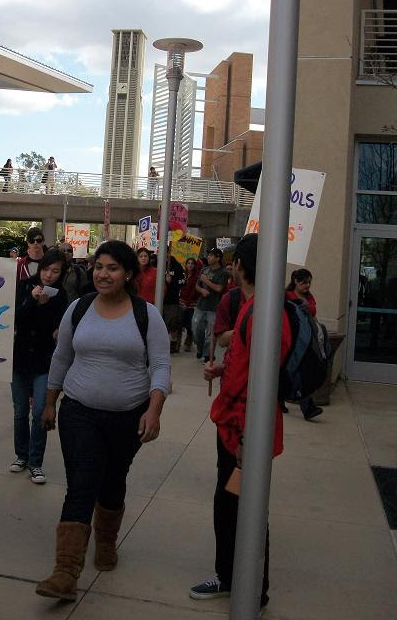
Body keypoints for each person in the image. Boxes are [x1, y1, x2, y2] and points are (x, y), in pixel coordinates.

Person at [36, 241, 171, 602]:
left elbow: (161, 365)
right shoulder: (79, 308)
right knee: (81, 484)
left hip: (128, 418)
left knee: (112, 482)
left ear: (128, 273)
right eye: (98, 266)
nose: (103, 274)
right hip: (78, 411)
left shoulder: (146, 315)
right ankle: (66, 571)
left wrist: (154, 409)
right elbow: (61, 357)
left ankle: (106, 542)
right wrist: (49, 403)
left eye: (112, 268)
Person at [189, 233, 291, 609]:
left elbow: (266, 378)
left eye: (233, 261)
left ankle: (249, 588)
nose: (230, 266)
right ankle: (236, 579)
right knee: (232, 505)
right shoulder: (255, 308)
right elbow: (251, 367)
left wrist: (249, 437)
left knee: (244, 508)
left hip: (244, 432)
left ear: (240, 266)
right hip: (237, 427)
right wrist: (222, 370)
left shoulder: (264, 312)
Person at [10, 249, 68, 484]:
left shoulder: (60, 295)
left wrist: (46, 308)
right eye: (46, 269)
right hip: (20, 359)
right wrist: (32, 301)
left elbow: (55, 327)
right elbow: (16, 318)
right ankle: (21, 455)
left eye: (55, 271)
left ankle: (35, 462)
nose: (49, 275)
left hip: (44, 361)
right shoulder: (25, 286)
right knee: (20, 411)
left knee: (40, 411)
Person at [285, 268, 323, 421]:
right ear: (295, 281)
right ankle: (307, 407)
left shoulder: (308, 297)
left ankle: (307, 406)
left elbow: (313, 312)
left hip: (304, 339)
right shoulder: (287, 296)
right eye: (304, 282)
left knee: (300, 372)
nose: (307, 286)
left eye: (309, 283)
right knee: (292, 372)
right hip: (290, 339)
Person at [192, 247, 229, 362]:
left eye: (211, 255)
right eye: (208, 255)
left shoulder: (223, 273)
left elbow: (219, 288)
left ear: (218, 258)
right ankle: (200, 349)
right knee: (196, 329)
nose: (208, 257)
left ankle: (208, 355)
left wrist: (206, 281)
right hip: (200, 305)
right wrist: (202, 290)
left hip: (214, 307)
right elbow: (197, 285)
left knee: (210, 334)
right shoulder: (204, 270)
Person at [163, 249, 185, 354]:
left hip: (172, 300)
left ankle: (174, 343)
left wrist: (172, 281)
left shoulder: (177, 266)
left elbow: (183, 281)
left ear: (168, 253)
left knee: (172, 323)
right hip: (159, 299)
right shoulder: (156, 263)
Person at [179, 257, 202, 351]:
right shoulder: (182, 274)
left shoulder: (197, 277)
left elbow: (194, 291)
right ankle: (177, 343)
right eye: (188, 263)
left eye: (192, 263)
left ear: (194, 265)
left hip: (191, 304)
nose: (190, 265)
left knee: (189, 324)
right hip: (181, 302)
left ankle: (188, 342)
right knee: (180, 323)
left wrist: (187, 303)